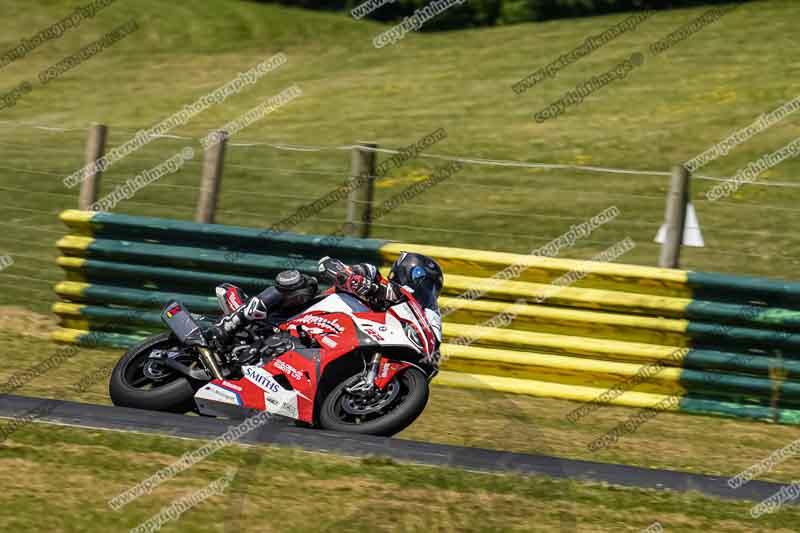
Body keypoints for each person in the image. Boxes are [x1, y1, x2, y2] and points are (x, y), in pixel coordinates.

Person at [210, 252, 444, 347]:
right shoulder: (375, 277)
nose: (427, 292)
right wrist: (352, 279)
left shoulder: (412, 316)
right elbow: (330, 265)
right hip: (305, 316)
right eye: (427, 285)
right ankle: (236, 319)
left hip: (338, 339)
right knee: (303, 283)